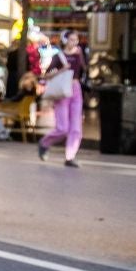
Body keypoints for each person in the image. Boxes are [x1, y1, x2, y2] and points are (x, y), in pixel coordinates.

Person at [39, 30, 88, 169]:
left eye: (76, 39)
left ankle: (70, 156)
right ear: (65, 40)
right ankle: (45, 142)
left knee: (76, 127)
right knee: (62, 128)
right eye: (72, 39)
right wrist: (63, 70)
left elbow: (84, 69)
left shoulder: (79, 54)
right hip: (62, 91)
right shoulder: (59, 56)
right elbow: (46, 75)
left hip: (76, 88)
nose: (75, 42)